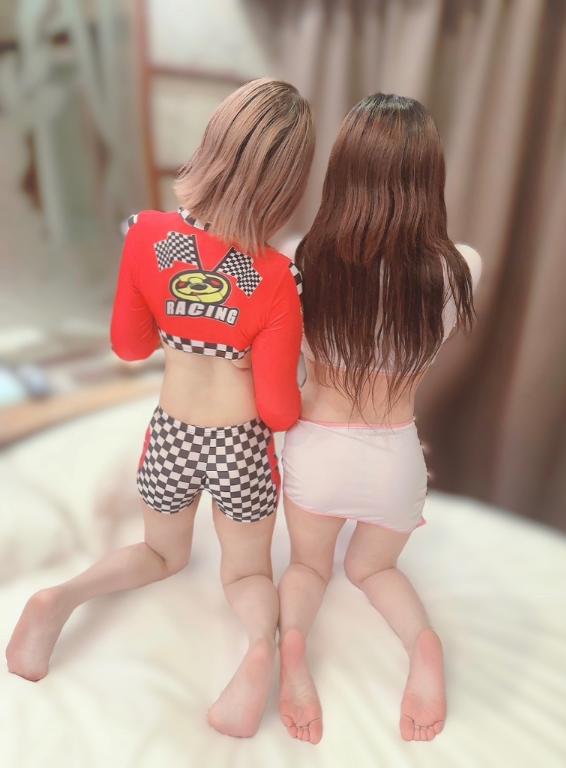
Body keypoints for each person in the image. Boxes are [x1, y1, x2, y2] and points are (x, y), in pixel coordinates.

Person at [5, 77, 314, 739]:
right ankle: (256, 651)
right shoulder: (277, 277)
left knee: (160, 553)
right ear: (287, 185)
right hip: (238, 444)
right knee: (246, 570)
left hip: (172, 431)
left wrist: (180, 325)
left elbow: (128, 344)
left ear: (213, 147)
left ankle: (59, 598)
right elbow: (278, 411)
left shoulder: (146, 234)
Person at [278, 93, 482, 745]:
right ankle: (422, 644)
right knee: (373, 569)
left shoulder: (298, 255)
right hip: (394, 456)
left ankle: (291, 647)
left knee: (309, 568)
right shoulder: (460, 267)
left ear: (342, 170)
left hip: (317, 448)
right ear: (429, 177)